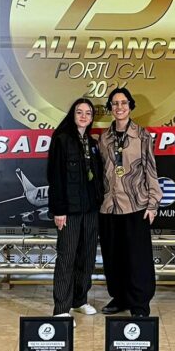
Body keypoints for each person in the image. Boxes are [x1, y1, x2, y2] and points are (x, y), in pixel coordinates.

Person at [98, 87, 161, 317]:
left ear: (130, 106)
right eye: (115, 103)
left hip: (136, 205)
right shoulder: (103, 138)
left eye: (123, 103)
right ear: (110, 108)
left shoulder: (142, 136)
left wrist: (153, 203)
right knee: (113, 257)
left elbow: (151, 170)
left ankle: (139, 304)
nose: (119, 107)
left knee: (137, 259)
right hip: (109, 206)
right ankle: (120, 297)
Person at [47, 97, 104, 316]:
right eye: (79, 112)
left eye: (88, 113)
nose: (83, 116)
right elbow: (55, 177)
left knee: (86, 257)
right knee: (67, 258)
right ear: (73, 114)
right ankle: (62, 308)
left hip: (90, 210)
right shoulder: (61, 140)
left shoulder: (92, 143)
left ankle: (79, 300)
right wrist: (59, 210)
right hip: (69, 211)